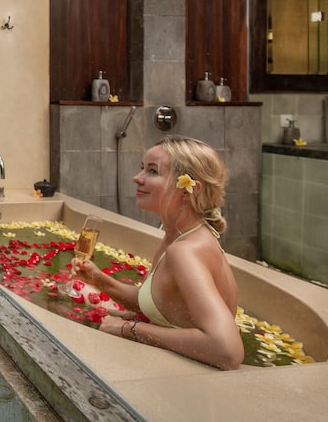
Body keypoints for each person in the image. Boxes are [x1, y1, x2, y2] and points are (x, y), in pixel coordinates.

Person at [72, 136, 244, 370]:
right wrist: (98, 279)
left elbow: (227, 351)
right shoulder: (178, 236)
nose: (137, 177)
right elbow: (160, 304)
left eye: (152, 171)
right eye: (142, 168)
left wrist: (128, 329)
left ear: (188, 190)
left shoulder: (185, 252)